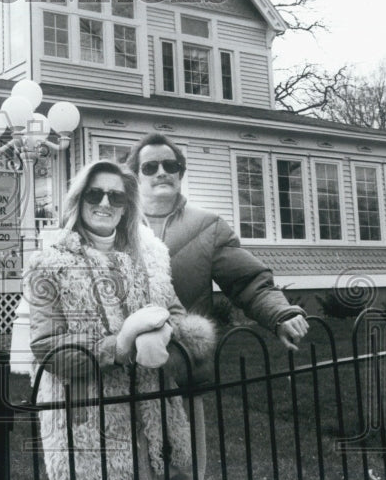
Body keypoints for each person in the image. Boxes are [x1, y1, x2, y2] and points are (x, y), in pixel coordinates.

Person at [23, 159, 215, 480]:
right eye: (94, 194)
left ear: (127, 207)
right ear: (78, 200)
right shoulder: (49, 263)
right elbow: (46, 347)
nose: (105, 204)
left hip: (153, 414)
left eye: (116, 197)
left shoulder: (146, 257)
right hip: (89, 420)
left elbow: (175, 312)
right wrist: (119, 346)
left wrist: (168, 330)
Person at [125, 133, 309, 350]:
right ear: (137, 177)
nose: (162, 172)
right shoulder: (117, 224)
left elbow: (249, 283)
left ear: (180, 173)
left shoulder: (208, 225)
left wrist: (280, 314)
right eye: (150, 167)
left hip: (186, 358)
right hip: (126, 358)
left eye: (170, 165)